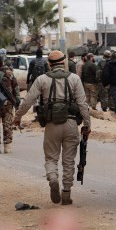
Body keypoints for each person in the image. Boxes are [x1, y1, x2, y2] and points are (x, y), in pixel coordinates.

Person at [14, 50, 90, 205]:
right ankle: (66, 194)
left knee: (51, 158)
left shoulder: (42, 79)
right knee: (68, 161)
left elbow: (28, 101)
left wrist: (17, 117)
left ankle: (53, 178)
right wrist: (87, 124)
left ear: (49, 64)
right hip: (71, 124)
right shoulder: (75, 79)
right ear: (64, 63)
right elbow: (83, 104)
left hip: (51, 125)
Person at [0, 57, 20, 153]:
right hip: (7, 102)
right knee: (7, 124)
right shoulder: (9, 73)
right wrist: (17, 100)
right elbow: (16, 87)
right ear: (2, 62)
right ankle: (7, 147)